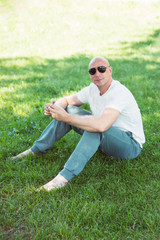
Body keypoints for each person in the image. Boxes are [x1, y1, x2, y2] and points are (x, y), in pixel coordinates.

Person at [12, 56, 145, 191]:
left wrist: (66, 117)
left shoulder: (119, 92)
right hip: (108, 138)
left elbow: (101, 125)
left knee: (95, 128)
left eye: (102, 69)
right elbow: (67, 101)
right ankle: (36, 149)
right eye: (92, 71)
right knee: (69, 110)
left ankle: (63, 178)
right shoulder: (92, 89)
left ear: (110, 71)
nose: (97, 73)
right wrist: (56, 108)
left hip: (129, 145)